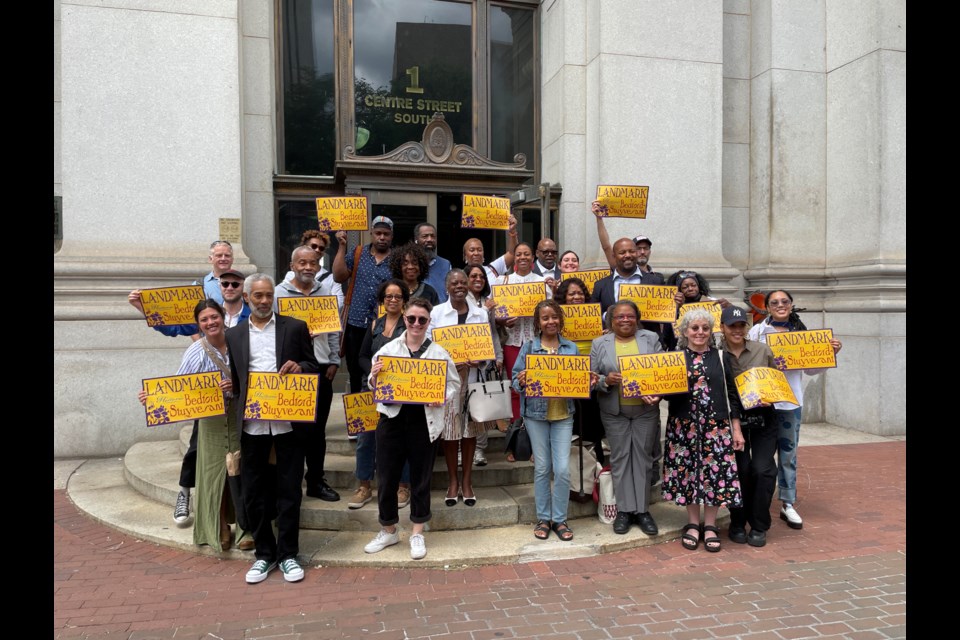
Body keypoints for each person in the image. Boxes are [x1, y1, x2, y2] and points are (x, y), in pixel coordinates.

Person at [127, 266, 250, 526]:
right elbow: (179, 385)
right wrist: (154, 398)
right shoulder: (196, 350)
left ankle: (243, 518)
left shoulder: (243, 333)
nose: (229, 287)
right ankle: (184, 493)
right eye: (225, 283)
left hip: (239, 412)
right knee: (196, 450)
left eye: (234, 284)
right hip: (209, 413)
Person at [226, 274, 320, 584]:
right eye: (258, 296)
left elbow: (313, 366)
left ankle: (289, 554)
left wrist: (300, 367)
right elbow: (236, 381)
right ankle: (264, 555)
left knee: (289, 490)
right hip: (253, 425)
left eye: (268, 295)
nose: (264, 301)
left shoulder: (294, 327)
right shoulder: (235, 334)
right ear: (248, 298)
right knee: (254, 493)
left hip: (288, 422)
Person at [364, 298, 460, 560]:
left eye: (422, 319)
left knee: (420, 478)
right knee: (386, 478)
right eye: (412, 319)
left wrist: (441, 395)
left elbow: (454, 383)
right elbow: (374, 384)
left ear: (429, 322)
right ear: (404, 318)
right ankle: (389, 529)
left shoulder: (439, 352)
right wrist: (374, 376)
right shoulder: (388, 349)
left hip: (424, 420)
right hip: (392, 419)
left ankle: (417, 531)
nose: (416, 324)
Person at [747, 290, 842, 531]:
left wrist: (830, 353)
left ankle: (788, 503)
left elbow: (810, 370)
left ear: (791, 305)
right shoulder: (757, 332)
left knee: (788, 455)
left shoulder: (800, 333)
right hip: (763, 403)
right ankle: (760, 501)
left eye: (785, 302)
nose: (780, 305)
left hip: (790, 404)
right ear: (767, 307)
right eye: (775, 302)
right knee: (762, 457)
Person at [511, 300, 595, 541]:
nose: (551, 322)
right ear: (538, 322)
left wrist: (587, 381)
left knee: (562, 469)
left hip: (563, 415)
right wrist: (522, 381)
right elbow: (515, 379)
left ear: (561, 319)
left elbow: (580, 380)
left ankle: (560, 519)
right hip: (536, 415)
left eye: (554, 317)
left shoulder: (571, 348)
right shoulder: (528, 347)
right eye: (545, 318)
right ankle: (543, 518)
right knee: (542, 468)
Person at [663, 308, 744, 553]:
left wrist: (736, 429)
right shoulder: (674, 356)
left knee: (714, 476)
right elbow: (665, 390)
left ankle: (709, 525)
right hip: (683, 426)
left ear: (711, 332)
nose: (700, 332)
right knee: (687, 474)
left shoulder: (721, 357)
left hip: (716, 427)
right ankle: (692, 524)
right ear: (685, 331)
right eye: (695, 328)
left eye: (705, 328)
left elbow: (732, 394)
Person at [275, 245, 341, 502]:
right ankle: (290, 482)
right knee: (292, 431)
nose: (307, 267)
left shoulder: (325, 292)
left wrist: (334, 360)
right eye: (302, 263)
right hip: (291, 371)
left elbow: (334, 330)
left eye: (312, 263)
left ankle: (315, 480)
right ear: (292, 265)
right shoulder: (279, 294)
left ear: (318, 266)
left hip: (322, 369)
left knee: (317, 431)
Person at [590, 300, 663, 536]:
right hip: (615, 411)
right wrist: (605, 381)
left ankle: (642, 511)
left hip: (645, 410)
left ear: (637, 318)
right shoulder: (599, 343)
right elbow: (591, 378)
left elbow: (662, 370)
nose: (625, 320)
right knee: (621, 458)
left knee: (642, 458)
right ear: (611, 321)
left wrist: (658, 393)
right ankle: (624, 510)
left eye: (630, 316)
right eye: (619, 317)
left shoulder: (650, 338)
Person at [428, 269, 497, 507]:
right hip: (449, 380)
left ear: (468, 286)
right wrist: (449, 362)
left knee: (470, 432)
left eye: (463, 282)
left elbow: (487, 347)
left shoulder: (480, 313)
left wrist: (482, 359)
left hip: (474, 379)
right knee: (450, 433)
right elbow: (429, 347)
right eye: (454, 283)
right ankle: (453, 482)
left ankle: (467, 482)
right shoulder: (436, 313)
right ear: (447, 286)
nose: (459, 286)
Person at [719, 305, 778, 547]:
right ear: (722, 328)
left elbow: (775, 381)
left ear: (747, 327)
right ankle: (737, 521)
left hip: (763, 415)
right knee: (739, 470)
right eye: (731, 326)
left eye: (741, 325)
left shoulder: (763, 350)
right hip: (733, 418)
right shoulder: (716, 354)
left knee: (762, 470)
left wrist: (771, 395)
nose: (736, 330)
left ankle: (759, 524)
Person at [353, 279, 413, 510]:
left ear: (404, 301)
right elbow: (361, 355)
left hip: (399, 390)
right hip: (371, 388)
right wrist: (373, 371)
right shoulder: (374, 325)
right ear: (382, 300)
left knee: (401, 438)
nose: (393, 300)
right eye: (389, 296)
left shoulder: (409, 325)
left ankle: (403, 486)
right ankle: (365, 486)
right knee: (365, 438)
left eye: (398, 296)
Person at [493, 242, 547, 459]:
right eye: (519, 254)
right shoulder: (502, 281)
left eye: (526, 254)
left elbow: (550, 312)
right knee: (516, 391)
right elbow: (495, 314)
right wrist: (503, 320)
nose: (522, 257)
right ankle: (517, 442)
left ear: (532, 257)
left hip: (536, 343)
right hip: (513, 342)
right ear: (513, 258)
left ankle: (535, 446)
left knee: (537, 390)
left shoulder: (542, 282)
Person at [333, 215, 394, 393]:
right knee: (354, 369)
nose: (382, 237)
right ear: (371, 234)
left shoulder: (397, 258)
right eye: (378, 233)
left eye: (386, 234)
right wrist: (342, 246)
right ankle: (358, 412)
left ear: (391, 236)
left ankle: (377, 409)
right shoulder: (358, 252)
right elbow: (339, 276)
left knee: (381, 368)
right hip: (356, 323)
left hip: (383, 324)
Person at [555, 277, 605, 467]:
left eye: (580, 293)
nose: (577, 297)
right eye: (571, 293)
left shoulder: (594, 315)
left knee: (592, 418)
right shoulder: (557, 317)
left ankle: (596, 464)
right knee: (573, 420)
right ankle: (572, 466)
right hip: (567, 374)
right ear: (564, 297)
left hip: (591, 373)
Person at [590, 237, 673, 350]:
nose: (628, 255)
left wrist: (675, 306)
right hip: (612, 346)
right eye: (622, 252)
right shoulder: (601, 285)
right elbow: (592, 317)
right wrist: (608, 316)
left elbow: (666, 316)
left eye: (632, 251)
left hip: (647, 346)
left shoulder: (655, 281)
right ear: (614, 256)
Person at [464, 264, 505, 468]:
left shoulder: (488, 301)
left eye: (481, 276)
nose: (478, 279)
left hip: (485, 360)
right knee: (464, 407)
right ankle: (465, 449)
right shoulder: (459, 301)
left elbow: (493, 332)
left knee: (483, 406)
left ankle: (480, 449)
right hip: (464, 361)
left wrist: (498, 356)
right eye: (473, 276)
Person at [591, 201, 657, 275]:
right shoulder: (621, 270)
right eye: (638, 248)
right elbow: (606, 247)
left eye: (645, 248)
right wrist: (599, 218)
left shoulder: (657, 278)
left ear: (650, 251)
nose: (642, 252)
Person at [283, 230, 344, 307]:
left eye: (321, 248)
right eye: (314, 246)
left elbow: (339, 304)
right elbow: (284, 300)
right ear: (304, 247)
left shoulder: (332, 278)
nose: (317, 250)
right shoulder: (291, 275)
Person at [462, 212, 519, 289]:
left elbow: (512, 253)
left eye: (479, 250)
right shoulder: (460, 276)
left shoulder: (493, 269)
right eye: (472, 250)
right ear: (465, 255)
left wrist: (512, 232)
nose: (476, 253)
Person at [390, 241, 440, 305]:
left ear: (421, 266)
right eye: (405, 263)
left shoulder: (430, 292)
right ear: (398, 267)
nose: (410, 267)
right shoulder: (390, 290)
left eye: (415, 263)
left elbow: (436, 314)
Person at [414, 222, 452, 304]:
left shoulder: (446, 264)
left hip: (440, 314)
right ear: (416, 240)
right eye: (425, 236)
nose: (429, 239)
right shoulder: (410, 265)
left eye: (433, 236)